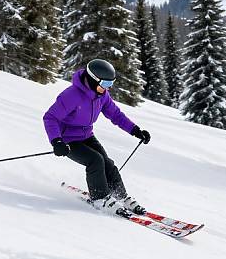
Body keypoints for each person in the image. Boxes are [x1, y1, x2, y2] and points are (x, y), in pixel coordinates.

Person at [43, 59, 151, 215]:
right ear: (93, 80)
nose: (108, 88)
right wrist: (56, 141)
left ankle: (120, 196)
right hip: (68, 140)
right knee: (95, 160)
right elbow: (50, 117)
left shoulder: (102, 95)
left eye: (111, 84)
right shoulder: (71, 95)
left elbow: (116, 115)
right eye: (105, 84)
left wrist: (135, 130)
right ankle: (100, 198)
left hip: (87, 135)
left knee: (108, 163)